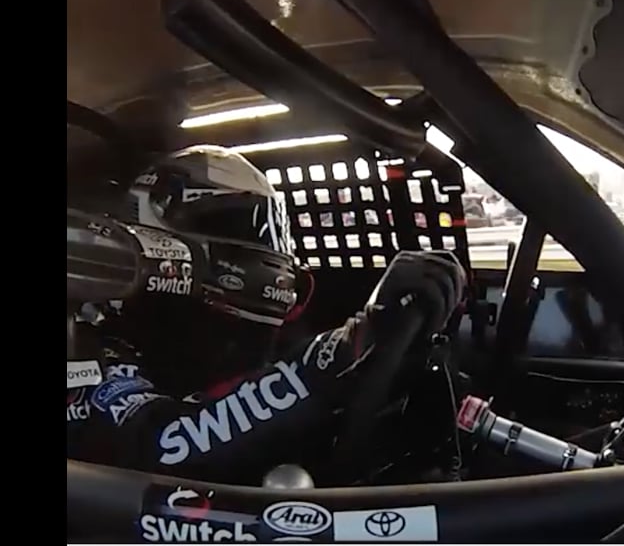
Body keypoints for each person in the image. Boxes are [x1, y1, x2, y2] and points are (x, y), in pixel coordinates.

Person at [67, 145, 466, 480]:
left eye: (268, 231)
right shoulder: (89, 346)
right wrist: (339, 354)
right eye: (230, 227)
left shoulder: (255, 346)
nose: (266, 255)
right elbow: (160, 445)